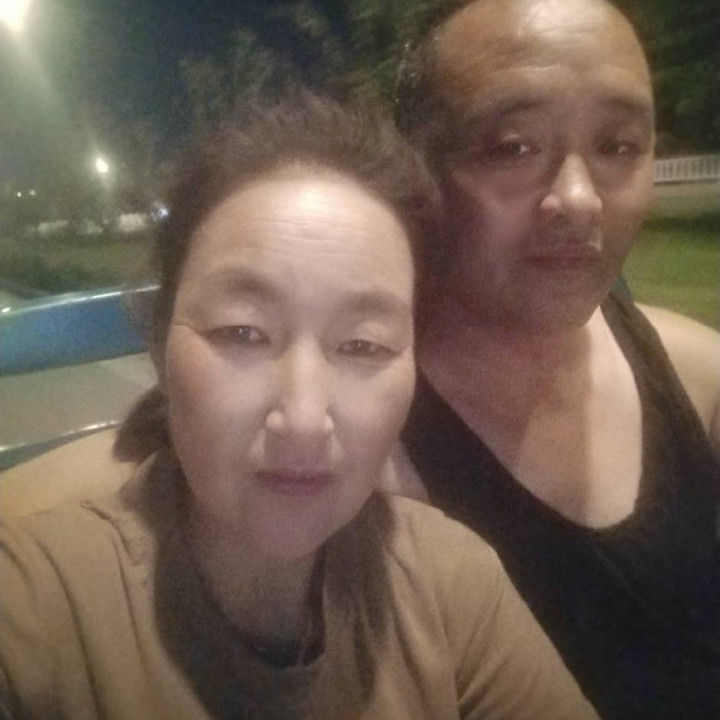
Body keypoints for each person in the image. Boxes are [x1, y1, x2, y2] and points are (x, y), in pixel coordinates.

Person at [0, 94, 598, 719]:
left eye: (363, 344)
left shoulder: (453, 591)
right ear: (159, 345)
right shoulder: (35, 612)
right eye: (242, 332)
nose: (305, 421)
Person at [392, 0, 720, 718]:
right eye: (513, 147)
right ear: (415, 171)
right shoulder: (364, 456)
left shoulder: (699, 381)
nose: (578, 200)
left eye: (620, 145)